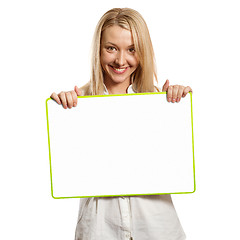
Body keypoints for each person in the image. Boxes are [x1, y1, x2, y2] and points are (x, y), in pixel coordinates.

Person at [51, 7, 192, 240]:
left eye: (132, 49)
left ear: (143, 52)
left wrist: (176, 107)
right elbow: (69, 169)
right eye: (111, 48)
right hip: (99, 227)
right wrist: (64, 114)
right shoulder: (77, 105)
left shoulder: (160, 102)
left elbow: (176, 164)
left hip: (157, 226)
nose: (120, 60)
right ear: (98, 50)